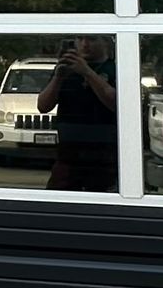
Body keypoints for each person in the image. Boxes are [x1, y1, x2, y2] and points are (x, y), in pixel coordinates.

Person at [37, 35, 118, 192]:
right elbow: (43, 106)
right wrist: (58, 77)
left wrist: (87, 72)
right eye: (80, 39)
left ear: (106, 43)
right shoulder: (67, 69)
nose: (85, 44)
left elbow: (116, 104)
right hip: (68, 155)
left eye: (92, 39)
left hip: (103, 156)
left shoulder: (114, 69)